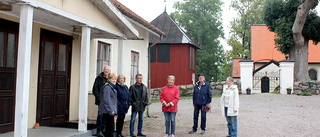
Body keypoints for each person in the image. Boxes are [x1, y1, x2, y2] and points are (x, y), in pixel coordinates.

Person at [92, 66, 111, 136]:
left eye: (108, 70)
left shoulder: (110, 79)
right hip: (101, 101)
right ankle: (98, 131)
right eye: (105, 69)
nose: (106, 71)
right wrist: (99, 97)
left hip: (108, 101)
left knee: (106, 116)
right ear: (103, 70)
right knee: (100, 116)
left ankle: (103, 130)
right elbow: (95, 89)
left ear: (110, 71)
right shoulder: (98, 78)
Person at [99, 73, 118, 137]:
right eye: (112, 79)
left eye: (115, 79)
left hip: (110, 112)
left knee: (110, 128)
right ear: (109, 79)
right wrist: (111, 111)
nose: (114, 80)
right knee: (109, 129)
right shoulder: (107, 88)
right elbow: (106, 101)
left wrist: (114, 111)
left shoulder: (112, 87)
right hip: (107, 112)